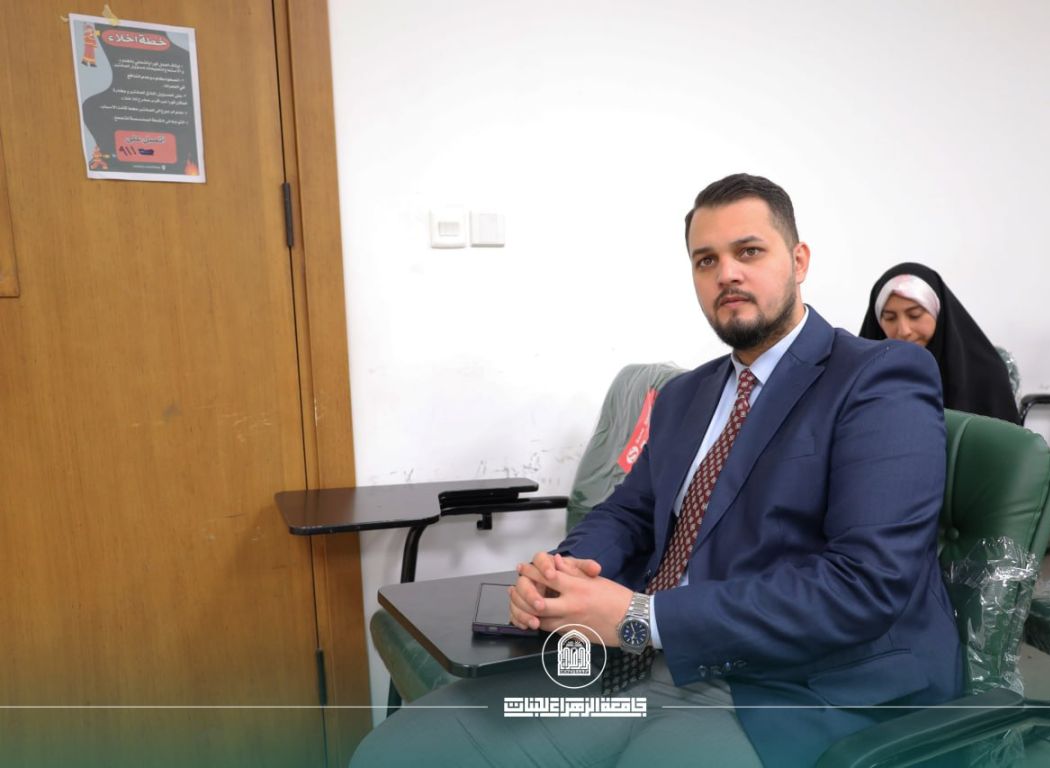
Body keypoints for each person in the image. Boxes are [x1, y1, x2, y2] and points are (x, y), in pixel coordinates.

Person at [352, 174, 963, 768]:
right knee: (398, 752)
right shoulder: (684, 395)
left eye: (749, 251)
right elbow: (629, 511)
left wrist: (643, 618)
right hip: (644, 654)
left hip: (798, 684)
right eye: (706, 260)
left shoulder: (878, 377)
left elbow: (865, 583)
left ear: (798, 260)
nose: (727, 273)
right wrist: (566, 573)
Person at [859, 262, 1020, 423]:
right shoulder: (866, 375)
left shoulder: (986, 374)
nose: (903, 330)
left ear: (938, 313)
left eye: (915, 315)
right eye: (890, 318)